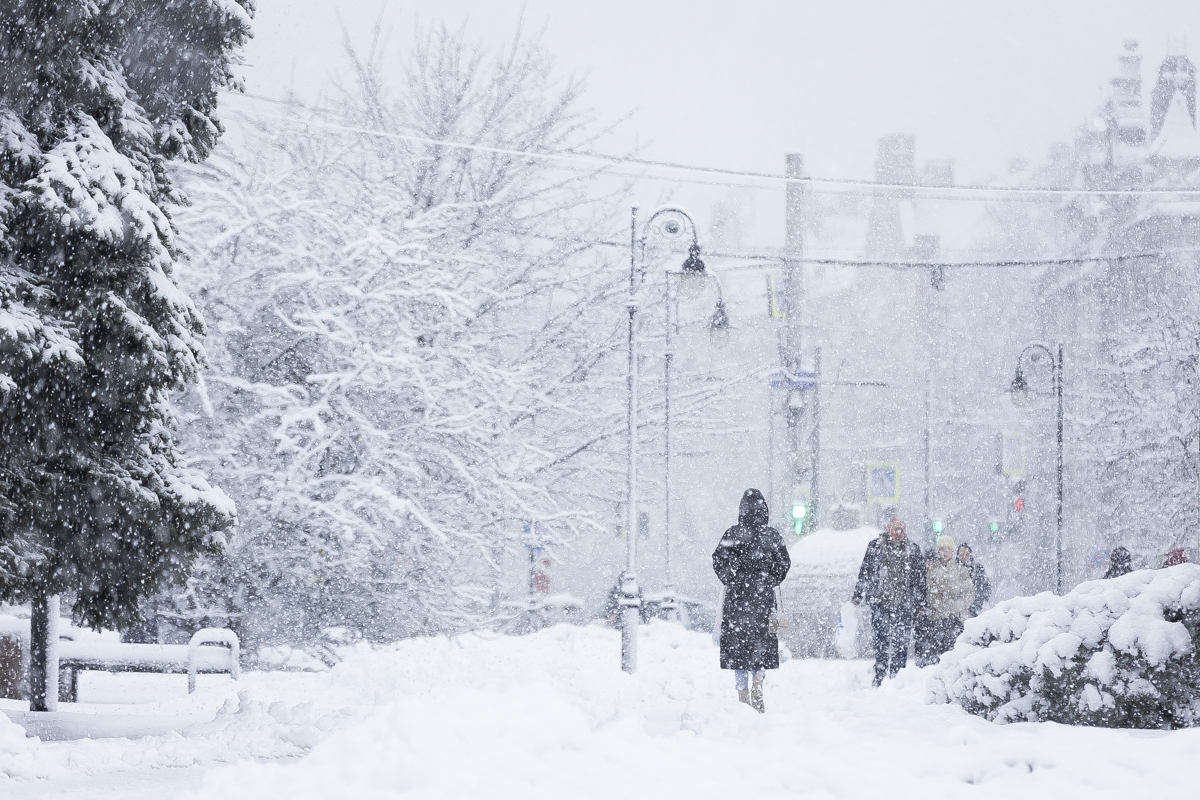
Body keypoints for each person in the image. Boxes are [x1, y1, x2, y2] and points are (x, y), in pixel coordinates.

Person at [712, 488, 791, 713]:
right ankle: (758, 679)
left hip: (737, 601)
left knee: (738, 650)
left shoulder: (733, 534)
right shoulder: (772, 536)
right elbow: (784, 563)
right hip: (762, 599)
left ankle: (743, 694)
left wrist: (733, 578)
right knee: (760, 645)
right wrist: (769, 579)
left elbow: (718, 561)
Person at [852, 516, 927, 687]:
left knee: (902, 641)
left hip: (904, 603)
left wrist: (921, 603)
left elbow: (920, 578)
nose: (899, 533)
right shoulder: (875, 546)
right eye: (895, 529)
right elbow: (865, 572)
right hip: (880, 602)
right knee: (880, 639)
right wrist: (857, 596)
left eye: (902, 530)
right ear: (888, 529)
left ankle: (897, 674)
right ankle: (880, 672)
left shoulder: (912, 549)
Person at [921, 535, 974, 662]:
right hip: (936, 618)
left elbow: (970, 591)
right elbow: (932, 594)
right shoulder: (932, 570)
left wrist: (959, 606)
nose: (944, 552)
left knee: (954, 651)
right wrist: (945, 607)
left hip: (956, 618)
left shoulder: (960, 570)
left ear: (952, 551)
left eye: (947, 549)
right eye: (941, 549)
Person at [957, 543, 991, 617]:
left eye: (967, 554)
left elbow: (985, 588)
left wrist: (975, 604)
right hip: (958, 611)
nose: (964, 557)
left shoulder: (978, 569)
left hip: (976, 610)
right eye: (961, 554)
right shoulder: (954, 570)